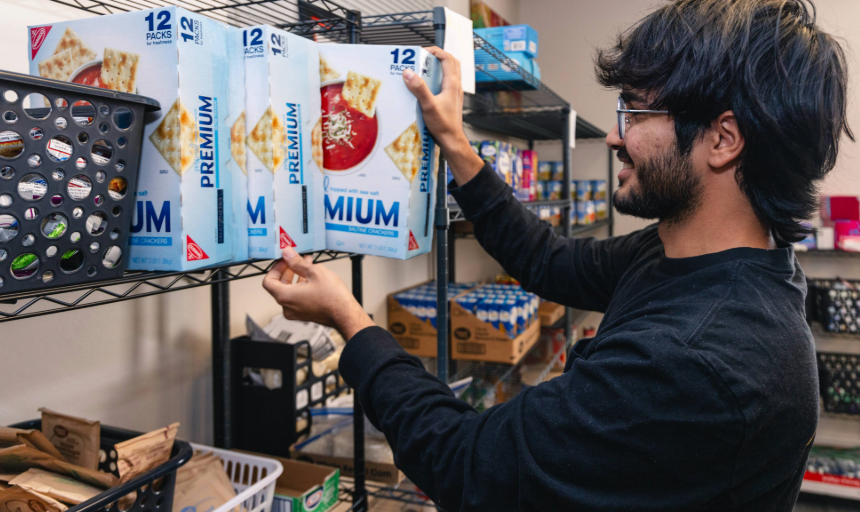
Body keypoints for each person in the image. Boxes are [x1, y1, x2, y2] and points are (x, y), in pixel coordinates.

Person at [262, 0, 853, 509]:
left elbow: (467, 467)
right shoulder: (699, 257)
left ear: (723, 140)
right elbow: (552, 262)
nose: (615, 136)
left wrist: (350, 320)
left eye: (636, 110)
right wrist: (458, 146)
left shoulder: (696, 359)